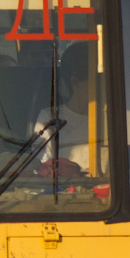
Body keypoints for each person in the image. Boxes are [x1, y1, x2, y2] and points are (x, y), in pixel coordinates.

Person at [34, 42, 100, 176]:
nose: (101, 87)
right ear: (75, 82)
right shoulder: (50, 118)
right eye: (95, 81)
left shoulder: (111, 118)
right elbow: (45, 169)